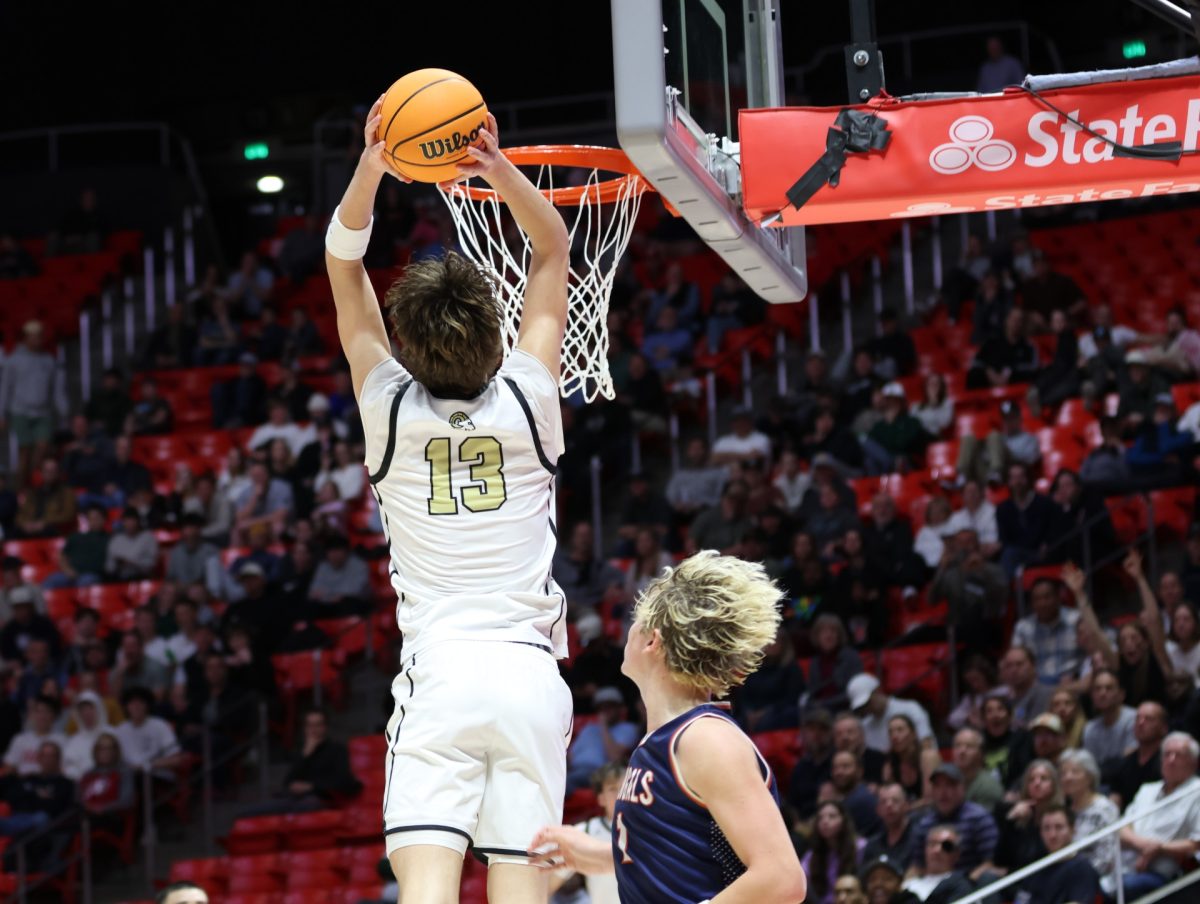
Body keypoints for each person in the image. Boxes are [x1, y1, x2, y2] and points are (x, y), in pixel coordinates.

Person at [328, 104, 576, 898]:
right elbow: (552, 251)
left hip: (440, 674)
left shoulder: (388, 410)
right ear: (497, 343)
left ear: (406, 346)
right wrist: (494, 167)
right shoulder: (530, 398)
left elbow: (343, 267)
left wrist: (373, 163)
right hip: (529, 678)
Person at [530, 553, 807, 904]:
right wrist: (602, 856)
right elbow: (686, 854)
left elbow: (781, 878)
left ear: (651, 642)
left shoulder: (706, 739)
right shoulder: (665, 740)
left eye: (635, 621)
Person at [1114, 732, 1200, 899]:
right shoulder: (1147, 790)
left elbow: (1196, 845)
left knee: (1127, 887)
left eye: (1179, 755)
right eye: (1167, 754)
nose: (1171, 760)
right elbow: (1122, 828)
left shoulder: (1197, 792)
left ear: (1194, 762)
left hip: (1167, 875)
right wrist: (1145, 845)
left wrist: (1159, 848)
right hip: (1124, 868)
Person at [548, 762, 625, 904]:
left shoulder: (649, 830)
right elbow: (547, 886)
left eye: (625, 788)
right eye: (613, 789)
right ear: (600, 798)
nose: (620, 794)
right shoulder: (584, 832)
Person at [0, 320, 64, 486]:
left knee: (42, 447)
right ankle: (20, 487)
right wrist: (2, 413)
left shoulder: (49, 361)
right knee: (25, 451)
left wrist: (63, 411)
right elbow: (5, 389)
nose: (37, 341)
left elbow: (56, 389)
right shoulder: (13, 361)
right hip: (20, 411)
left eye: (39, 337)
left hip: (43, 412)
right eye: (33, 337)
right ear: (26, 338)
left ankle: (31, 481)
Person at [908, 764, 998, 876]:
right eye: (937, 786)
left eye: (950, 785)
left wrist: (965, 885)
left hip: (971, 885)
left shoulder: (979, 818)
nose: (943, 792)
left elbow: (990, 864)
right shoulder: (924, 824)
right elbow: (917, 866)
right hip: (933, 885)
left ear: (963, 788)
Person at [1012, 804, 1100, 904]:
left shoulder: (1081, 867)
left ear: (1073, 830)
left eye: (1059, 827)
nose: (1052, 835)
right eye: (1046, 828)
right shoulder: (1036, 867)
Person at [566, 687, 640, 794]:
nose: (605, 711)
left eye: (610, 707)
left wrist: (603, 725)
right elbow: (570, 756)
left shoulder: (628, 728)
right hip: (575, 771)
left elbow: (615, 757)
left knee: (564, 783)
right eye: (601, 708)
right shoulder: (589, 729)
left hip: (600, 772)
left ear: (620, 708)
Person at [1058, 747, 1118, 878]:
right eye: (1063, 773)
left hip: (1095, 880)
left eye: (1075, 772)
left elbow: (1107, 858)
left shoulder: (1104, 809)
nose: (1067, 777)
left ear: (1090, 777)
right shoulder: (1063, 811)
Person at [847, 673, 934, 753]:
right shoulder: (865, 725)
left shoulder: (910, 709)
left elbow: (926, 743)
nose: (866, 708)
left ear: (878, 690)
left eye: (867, 702)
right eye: (862, 707)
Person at [802, 800, 867, 904]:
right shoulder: (812, 855)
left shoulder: (860, 847)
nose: (825, 821)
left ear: (843, 820)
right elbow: (801, 882)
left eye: (832, 816)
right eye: (820, 818)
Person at [901, 824, 976, 904]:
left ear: (957, 854)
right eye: (932, 844)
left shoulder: (961, 885)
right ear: (925, 849)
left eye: (946, 846)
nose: (937, 850)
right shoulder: (909, 883)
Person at [1082, 667, 1136, 771]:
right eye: (1097, 689)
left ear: (1121, 694)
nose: (1102, 693)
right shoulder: (1089, 728)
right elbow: (1089, 767)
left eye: (1109, 688)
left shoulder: (1134, 719)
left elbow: (1130, 758)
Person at [862, 782, 917, 870]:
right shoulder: (872, 845)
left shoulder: (918, 839)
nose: (889, 805)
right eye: (883, 802)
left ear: (906, 806)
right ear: (878, 810)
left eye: (895, 801)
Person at [953, 727, 1005, 811]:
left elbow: (980, 822)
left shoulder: (988, 786)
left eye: (969, 746)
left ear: (981, 754)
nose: (962, 751)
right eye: (957, 746)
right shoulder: (948, 781)